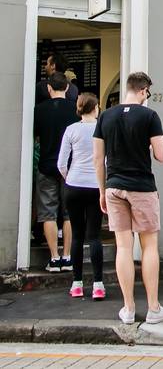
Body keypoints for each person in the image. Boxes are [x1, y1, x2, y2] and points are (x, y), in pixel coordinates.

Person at [93, 72, 163, 325]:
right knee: (149, 246)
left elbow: (97, 159)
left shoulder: (105, 116)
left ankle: (128, 309)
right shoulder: (149, 116)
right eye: (147, 93)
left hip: (113, 186)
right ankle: (153, 308)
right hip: (141, 186)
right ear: (143, 90)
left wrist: (101, 190)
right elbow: (162, 155)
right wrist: (148, 146)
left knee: (123, 247)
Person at [57, 92, 105, 300]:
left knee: (77, 235)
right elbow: (106, 161)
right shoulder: (101, 129)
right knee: (94, 236)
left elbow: (61, 163)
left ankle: (76, 283)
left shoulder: (70, 130)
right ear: (95, 108)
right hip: (95, 186)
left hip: (74, 186)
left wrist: (70, 177)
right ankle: (98, 285)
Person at [34, 71, 78, 272]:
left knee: (48, 213)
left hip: (46, 165)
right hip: (70, 168)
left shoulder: (39, 110)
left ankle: (54, 258)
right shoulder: (74, 110)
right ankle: (67, 256)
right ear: (67, 88)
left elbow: (35, 136)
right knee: (69, 214)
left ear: (49, 88)